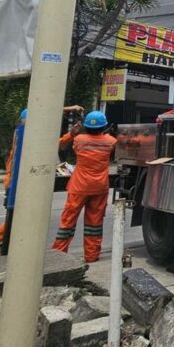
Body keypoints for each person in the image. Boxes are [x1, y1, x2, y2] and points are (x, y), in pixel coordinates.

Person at [0, 104, 84, 257]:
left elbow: (52, 141)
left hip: (16, 180)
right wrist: (70, 125)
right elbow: (53, 143)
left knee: (18, 215)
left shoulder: (22, 133)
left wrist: (69, 126)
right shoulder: (29, 135)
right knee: (20, 216)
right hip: (18, 181)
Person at [51, 110, 118, 263]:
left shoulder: (79, 140)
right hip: (100, 187)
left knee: (68, 221)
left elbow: (60, 145)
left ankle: (58, 254)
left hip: (79, 186)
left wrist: (72, 133)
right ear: (104, 126)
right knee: (94, 224)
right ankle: (91, 256)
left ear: (86, 126)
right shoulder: (111, 141)